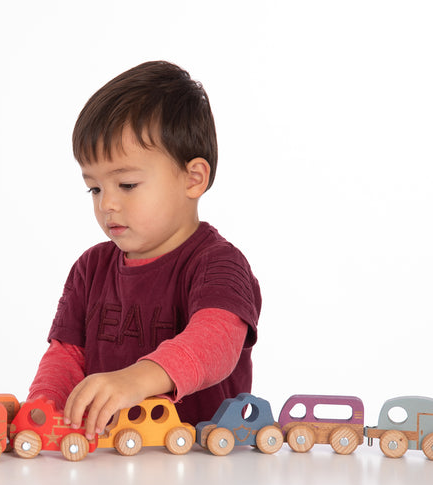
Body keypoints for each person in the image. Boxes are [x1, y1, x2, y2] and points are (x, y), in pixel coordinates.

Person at [28, 60, 261, 440]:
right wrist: (43, 409)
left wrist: (134, 380)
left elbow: (215, 342)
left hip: (202, 464)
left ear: (193, 178)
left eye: (128, 185)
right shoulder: (90, 268)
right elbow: (66, 356)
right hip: (109, 460)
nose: (107, 205)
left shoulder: (218, 263)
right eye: (95, 188)